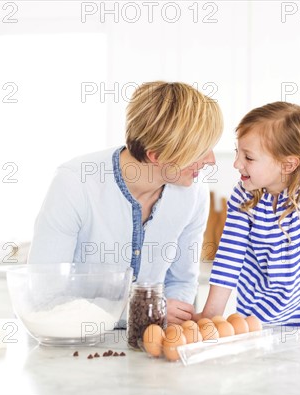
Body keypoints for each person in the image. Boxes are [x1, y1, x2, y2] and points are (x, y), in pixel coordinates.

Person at [28, 81, 223, 324]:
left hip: (149, 350)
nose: (211, 160)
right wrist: (145, 311)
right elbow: (44, 294)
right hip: (75, 346)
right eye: (200, 150)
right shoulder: (75, 184)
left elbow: (182, 282)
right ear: (156, 156)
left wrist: (160, 323)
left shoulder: (194, 193)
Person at [195, 102, 300, 339]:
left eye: (248, 157)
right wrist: (210, 315)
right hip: (260, 315)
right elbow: (229, 255)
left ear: (288, 164)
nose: (237, 163)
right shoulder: (244, 193)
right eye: (237, 152)